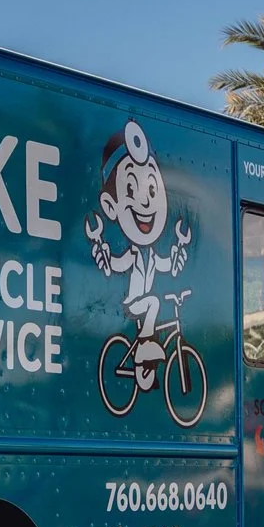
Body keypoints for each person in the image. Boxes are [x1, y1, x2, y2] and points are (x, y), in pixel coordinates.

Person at [85, 119, 190, 391]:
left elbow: (168, 264)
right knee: (153, 303)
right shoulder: (133, 254)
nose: (145, 201)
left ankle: (147, 363)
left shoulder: (152, 255)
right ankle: (144, 348)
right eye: (131, 189)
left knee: (154, 304)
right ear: (110, 206)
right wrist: (101, 247)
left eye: (152, 190)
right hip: (133, 303)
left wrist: (179, 247)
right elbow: (116, 264)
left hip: (144, 305)